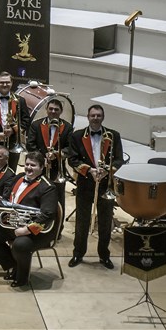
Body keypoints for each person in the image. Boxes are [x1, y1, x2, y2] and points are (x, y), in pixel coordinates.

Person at [0, 151, 58, 287]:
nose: (28, 167)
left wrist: (26, 230)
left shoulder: (48, 187)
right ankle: (13, 265)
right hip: (13, 223)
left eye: (33, 165)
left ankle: (22, 277)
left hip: (37, 231)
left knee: (20, 245)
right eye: (27, 164)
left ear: (42, 167)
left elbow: (48, 215)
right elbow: (6, 200)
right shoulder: (19, 177)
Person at [67, 105, 124, 270]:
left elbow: (119, 159)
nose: (95, 118)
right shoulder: (77, 136)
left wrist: (107, 170)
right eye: (93, 115)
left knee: (105, 222)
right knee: (82, 222)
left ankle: (104, 255)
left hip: (106, 185)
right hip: (85, 184)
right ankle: (78, 253)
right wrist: (89, 170)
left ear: (103, 117)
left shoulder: (114, 135)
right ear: (88, 116)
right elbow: (72, 159)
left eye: (98, 115)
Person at [26, 98, 72, 221]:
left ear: (61, 111)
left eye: (56, 109)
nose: (53, 111)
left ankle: (57, 228)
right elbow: (30, 145)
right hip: (39, 168)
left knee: (59, 198)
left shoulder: (67, 127)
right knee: (37, 195)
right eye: (50, 108)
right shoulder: (36, 124)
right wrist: (42, 158)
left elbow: (70, 148)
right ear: (46, 109)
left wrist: (57, 154)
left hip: (57, 169)